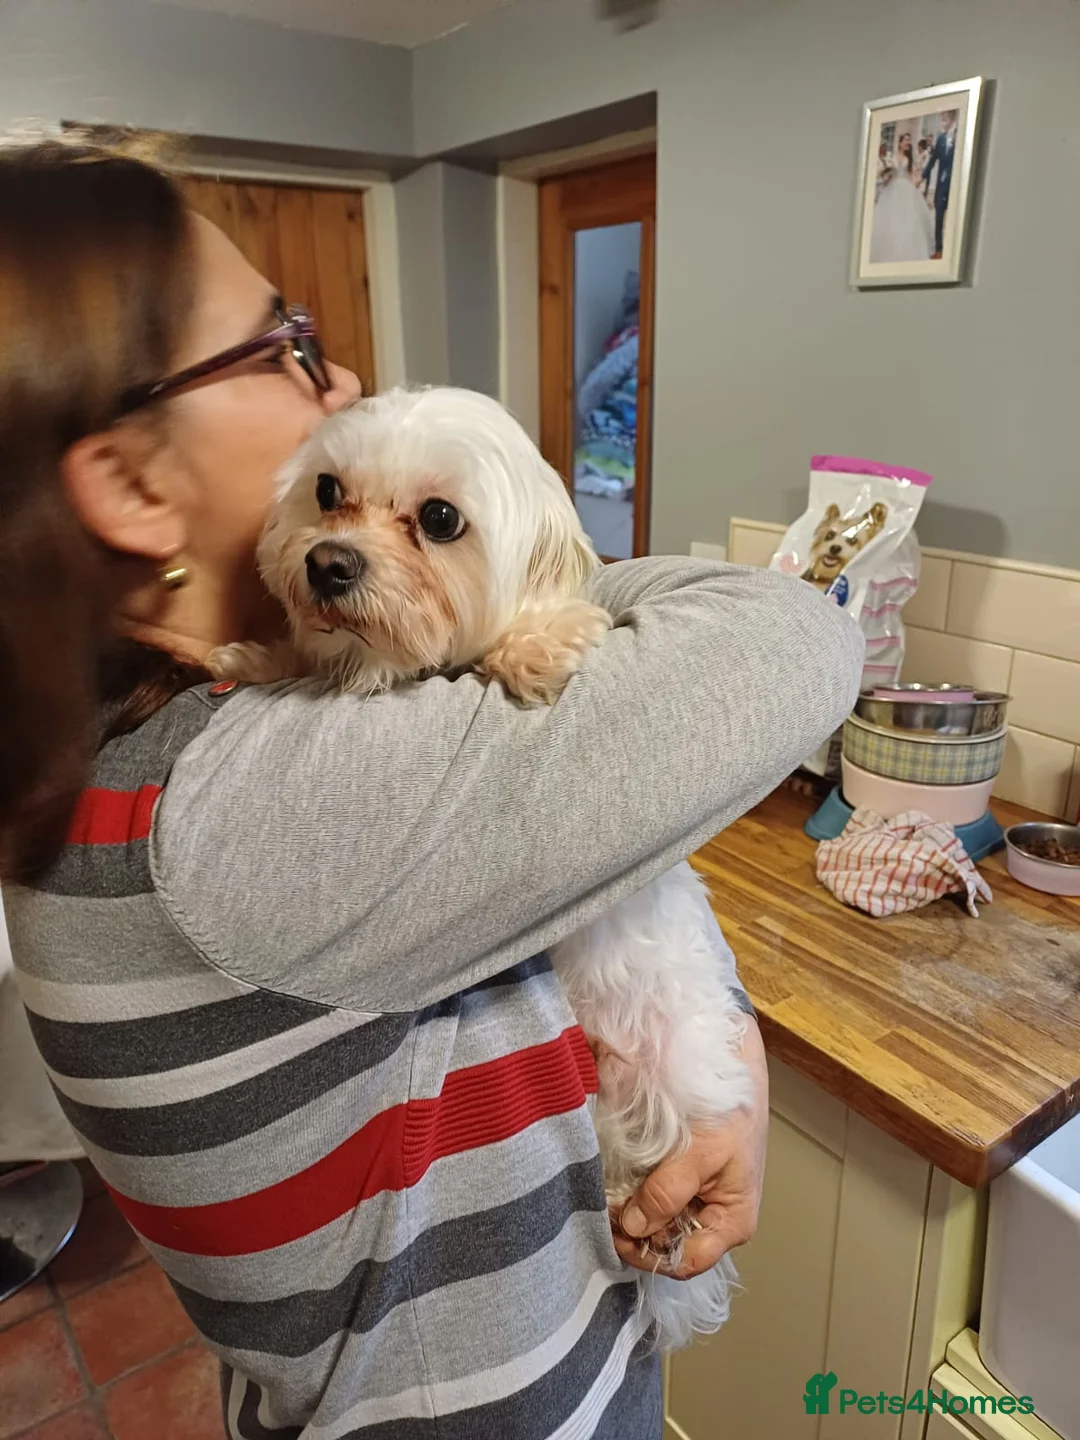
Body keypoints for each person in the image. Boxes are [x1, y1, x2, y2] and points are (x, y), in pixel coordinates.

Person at [0, 133, 863, 1440]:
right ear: (126, 479)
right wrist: (516, 586)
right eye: (284, 343)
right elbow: (799, 636)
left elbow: (589, 879)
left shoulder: (135, 777)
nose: (340, 369)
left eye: (431, 519)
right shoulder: (247, 811)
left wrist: (718, 1051)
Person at [870, 130, 935, 264]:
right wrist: (885, 176)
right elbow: (888, 174)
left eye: (909, 141)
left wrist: (917, 184)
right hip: (892, 188)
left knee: (906, 218)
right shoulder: (891, 157)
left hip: (905, 188)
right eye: (905, 140)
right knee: (891, 218)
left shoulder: (910, 159)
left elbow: (912, 175)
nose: (908, 143)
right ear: (900, 142)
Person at [922, 110, 960, 259]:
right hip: (940, 185)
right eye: (941, 119)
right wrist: (923, 176)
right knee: (938, 216)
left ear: (952, 119)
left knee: (953, 217)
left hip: (954, 185)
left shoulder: (960, 137)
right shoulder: (941, 139)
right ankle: (939, 248)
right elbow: (933, 160)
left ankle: (952, 249)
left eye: (944, 119)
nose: (942, 122)